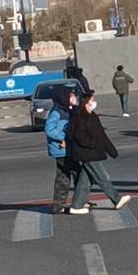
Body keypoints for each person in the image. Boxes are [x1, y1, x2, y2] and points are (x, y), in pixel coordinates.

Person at [67, 93, 131, 215]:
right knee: (102, 177)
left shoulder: (93, 116)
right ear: (86, 103)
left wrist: (111, 149)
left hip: (93, 152)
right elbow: (80, 137)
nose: (94, 103)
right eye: (92, 100)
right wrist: (94, 143)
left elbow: (101, 135)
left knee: (85, 181)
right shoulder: (80, 118)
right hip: (87, 153)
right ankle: (116, 199)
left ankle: (76, 205)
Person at [45, 85, 80, 214]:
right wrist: (63, 138)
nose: (74, 98)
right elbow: (49, 129)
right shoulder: (57, 111)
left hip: (67, 149)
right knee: (75, 175)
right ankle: (77, 201)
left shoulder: (68, 110)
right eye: (71, 95)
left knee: (64, 176)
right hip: (61, 150)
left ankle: (60, 204)